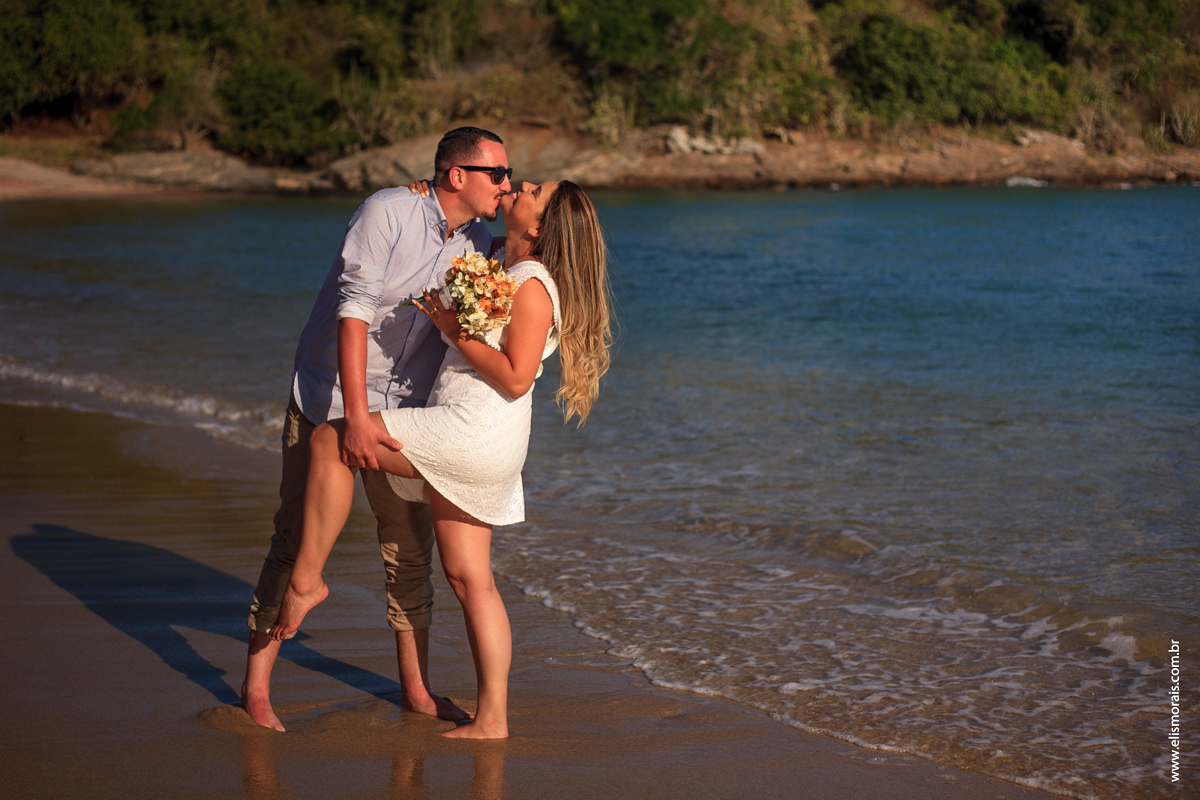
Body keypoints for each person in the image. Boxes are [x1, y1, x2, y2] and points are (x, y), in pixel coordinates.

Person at [270, 178, 613, 739]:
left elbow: (517, 376)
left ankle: (307, 579)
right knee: (470, 578)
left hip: (471, 431)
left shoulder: (532, 285)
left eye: (533, 191)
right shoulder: (504, 258)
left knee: (332, 440)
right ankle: (493, 720)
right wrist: (423, 190)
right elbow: (453, 215)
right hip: (484, 438)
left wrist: (452, 328)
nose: (520, 185)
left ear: (539, 226)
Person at [241, 127, 513, 732]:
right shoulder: (387, 212)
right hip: (329, 395)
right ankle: (256, 688)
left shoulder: (479, 240)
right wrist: (357, 418)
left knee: (409, 552)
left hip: (408, 411)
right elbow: (354, 314)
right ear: (457, 175)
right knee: (292, 540)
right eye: (497, 173)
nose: (506, 184)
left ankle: (416, 690)